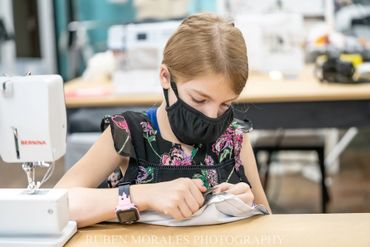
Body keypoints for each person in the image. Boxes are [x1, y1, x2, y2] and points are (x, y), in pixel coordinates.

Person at [56, 13, 271, 228]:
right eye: (198, 99)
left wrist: (247, 204)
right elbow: (57, 203)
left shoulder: (234, 138)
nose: (211, 116)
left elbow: (268, 223)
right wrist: (144, 195)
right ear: (165, 77)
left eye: (225, 104)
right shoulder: (127, 133)